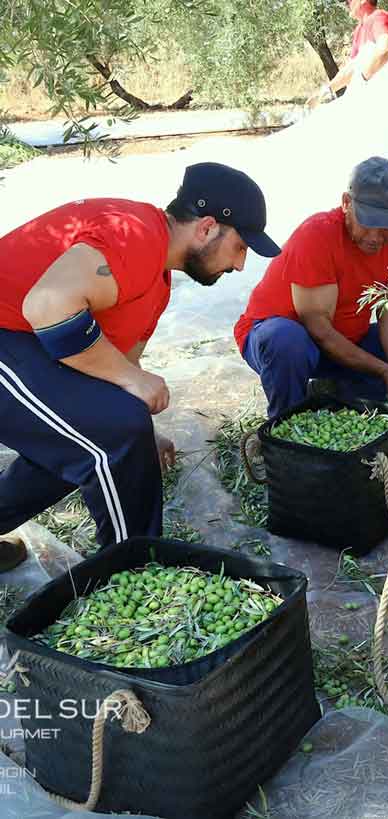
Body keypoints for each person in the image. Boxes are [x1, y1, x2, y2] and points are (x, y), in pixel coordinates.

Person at [0, 162, 280, 568]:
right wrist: (132, 392)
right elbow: (48, 305)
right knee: (115, 436)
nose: (239, 265)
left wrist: (144, 429)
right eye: (240, 247)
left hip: (22, 337)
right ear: (206, 228)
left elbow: (113, 379)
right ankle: (134, 578)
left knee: (99, 436)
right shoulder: (135, 234)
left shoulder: (158, 280)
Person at [235, 156, 388, 419]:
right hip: (282, 340)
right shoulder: (316, 235)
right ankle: (286, 424)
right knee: (287, 340)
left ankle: (337, 393)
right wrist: (383, 370)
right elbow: (319, 328)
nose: (377, 237)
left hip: (346, 339)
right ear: (346, 203)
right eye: (369, 223)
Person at [311, 0, 388, 166]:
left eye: (348, 1)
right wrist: (327, 90)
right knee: (378, 147)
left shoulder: (379, 18)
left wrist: (363, 78)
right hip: (386, 96)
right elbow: (352, 68)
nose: (345, 3)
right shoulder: (360, 30)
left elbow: (385, 48)